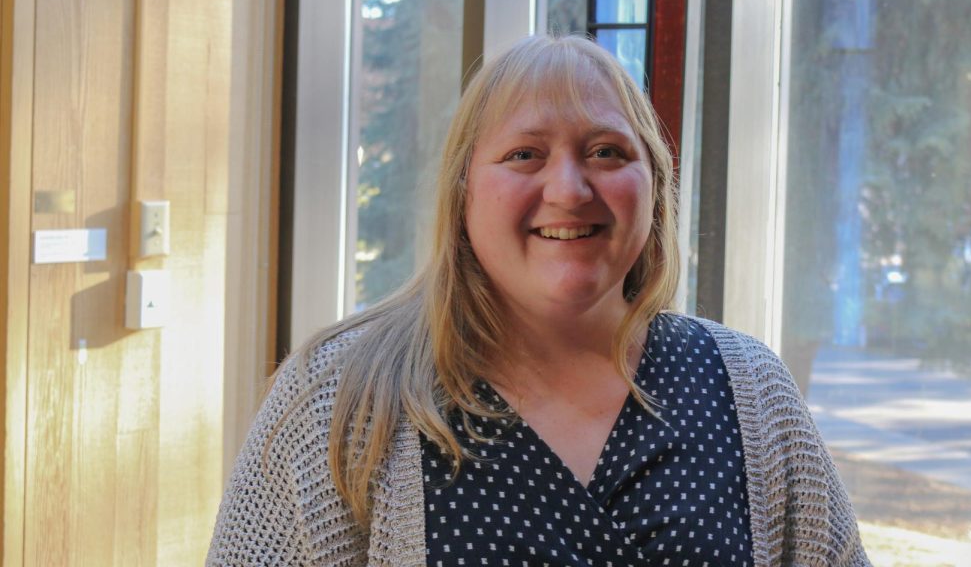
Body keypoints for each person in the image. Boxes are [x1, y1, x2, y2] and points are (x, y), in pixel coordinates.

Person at [207, 34, 871, 566]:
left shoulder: (748, 387)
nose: (569, 188)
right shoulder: (339, 398)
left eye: (607, 152)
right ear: (464, 190)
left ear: (654, 183)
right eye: (525, 154)